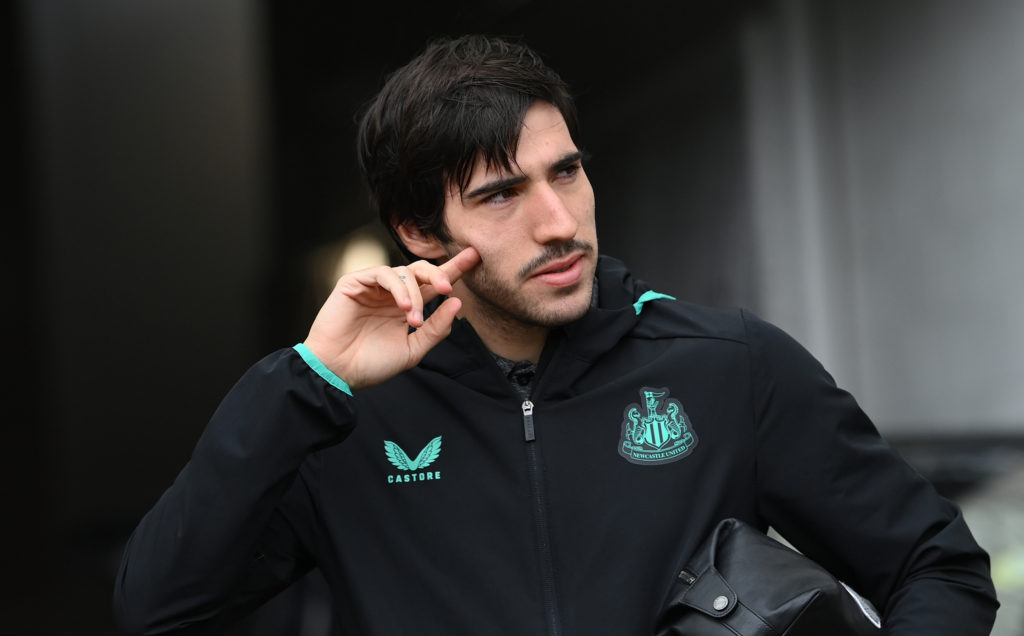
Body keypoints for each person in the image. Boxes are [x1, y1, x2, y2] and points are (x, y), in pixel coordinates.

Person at [113, 35, 999, 635]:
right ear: (420, 233)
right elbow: (157, 610)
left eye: (566, 173)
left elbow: (938, 566)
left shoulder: (730, 365)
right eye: (501, 194)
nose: (558, 221)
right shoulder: (335, 415)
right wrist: (304, 380)